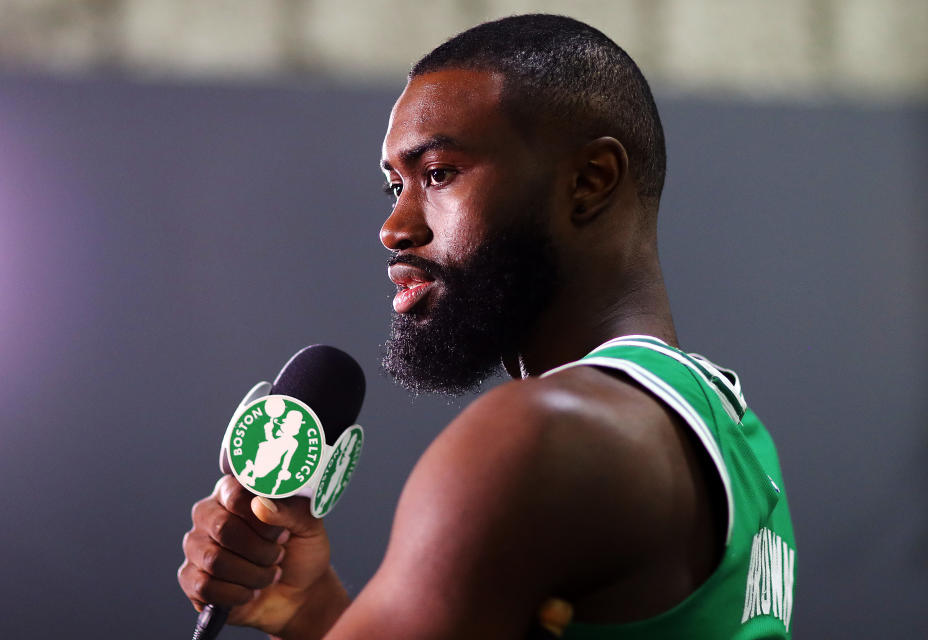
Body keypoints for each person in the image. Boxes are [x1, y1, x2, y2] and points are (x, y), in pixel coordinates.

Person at [177, 14, 796, 639]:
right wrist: (309, 611)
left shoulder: (543, 435)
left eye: (438, 173)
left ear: (590, 181)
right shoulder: (729, 429)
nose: (395, 228)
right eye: (396, 184)